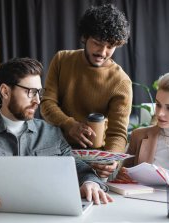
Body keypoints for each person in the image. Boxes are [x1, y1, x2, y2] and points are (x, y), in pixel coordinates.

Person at [0, 58, 113, 213]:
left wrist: (91, 182)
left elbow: (77, 167)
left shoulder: (52, 133)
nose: (37, 100)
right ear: (5, 91)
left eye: (39, 92)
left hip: (46, 220)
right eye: (30, 92)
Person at [40, 4, 132, 179]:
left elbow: (117, 132)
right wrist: (69, 124)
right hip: (55, 152)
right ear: (85, 37)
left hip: (94, 159)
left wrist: (111, 160)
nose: (102, 52)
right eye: (97, 43)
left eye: (110, 46)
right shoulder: (62, 60)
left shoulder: (121, 81)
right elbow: (46, 103)